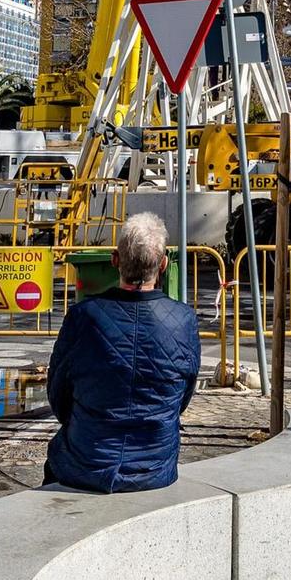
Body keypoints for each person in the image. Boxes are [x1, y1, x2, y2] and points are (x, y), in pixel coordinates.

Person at [44, 211, 200, 493]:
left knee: (55, 460)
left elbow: (58, 392)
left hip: (87, 460)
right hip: (155, 465)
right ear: (163, 265)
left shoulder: (83, 316)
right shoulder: (184, 320)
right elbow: (182, 396)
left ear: (115, 260)